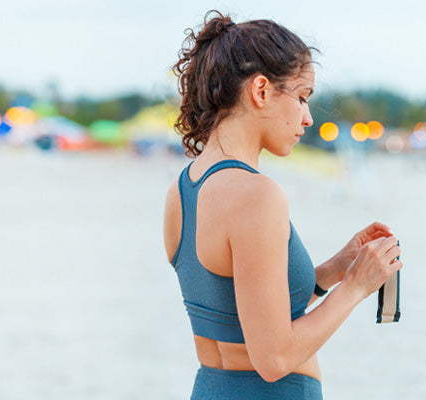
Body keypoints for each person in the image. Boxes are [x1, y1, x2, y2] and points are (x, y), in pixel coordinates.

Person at [163, 11, 402, 400]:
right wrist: (357, 287)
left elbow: (246, 313)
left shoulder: (182, 190)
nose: (307, 118)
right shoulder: (258, 195)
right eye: (303, 97)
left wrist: (335, 270)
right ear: (261, 91)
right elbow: (273, 357)